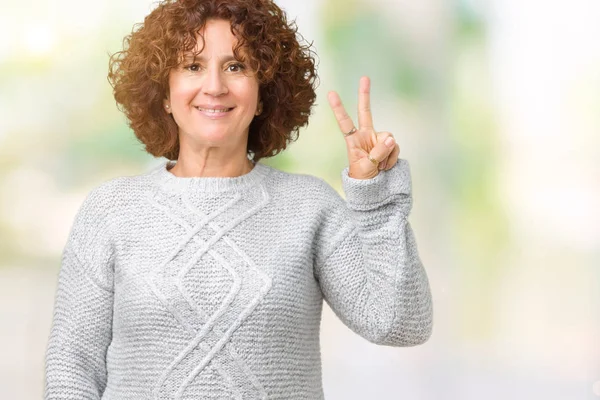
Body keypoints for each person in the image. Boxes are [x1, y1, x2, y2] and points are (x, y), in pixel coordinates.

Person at [44, 0, 433, 398]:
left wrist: (376, 200)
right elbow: (72, 369)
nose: (214, 86)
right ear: (164, 92)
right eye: (193, 66)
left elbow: (401, 323)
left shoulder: (309, 208)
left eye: (236, 66)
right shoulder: (111, 211)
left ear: (264, 92)